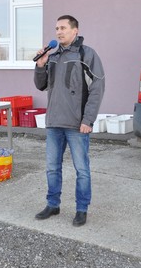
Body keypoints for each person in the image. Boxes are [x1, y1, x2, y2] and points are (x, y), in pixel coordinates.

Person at [33, 15, 105, 226]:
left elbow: (97, 89)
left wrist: (88, 120)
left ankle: (81, 209)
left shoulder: (86, 54)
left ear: (75, 30)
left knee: (81, 170)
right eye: (57, 28)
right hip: (54, 122)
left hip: (76, 124)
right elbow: (41, 85)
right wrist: (40, 65)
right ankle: (52, 205)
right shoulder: (53, 56)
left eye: (63, 28)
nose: (58, 32)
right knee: (52, 168)